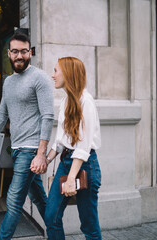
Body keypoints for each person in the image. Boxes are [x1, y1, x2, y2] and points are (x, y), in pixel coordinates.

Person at [0, 31, 54, 240]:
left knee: (13, 201)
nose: (19, 55)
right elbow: (2, 114)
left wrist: (41, 153)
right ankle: (57, 233)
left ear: (29, 52)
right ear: (9, 53)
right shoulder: (8, 82)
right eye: (15, 51)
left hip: (30, 150)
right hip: (16, 148)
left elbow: (48, 116)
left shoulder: (40, 78)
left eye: (24, 51)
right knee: (39, 199)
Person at [44, 57, 102, 239]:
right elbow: (60, 141)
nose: (52, 76)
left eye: (55, 71)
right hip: (66, 162)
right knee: (51, 216)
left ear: (68, 74)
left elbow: (83, 146)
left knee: (88, 224)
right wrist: (46, 160)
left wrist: (71, 179)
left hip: (85, 166)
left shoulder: (86, 102)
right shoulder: (65, 101)